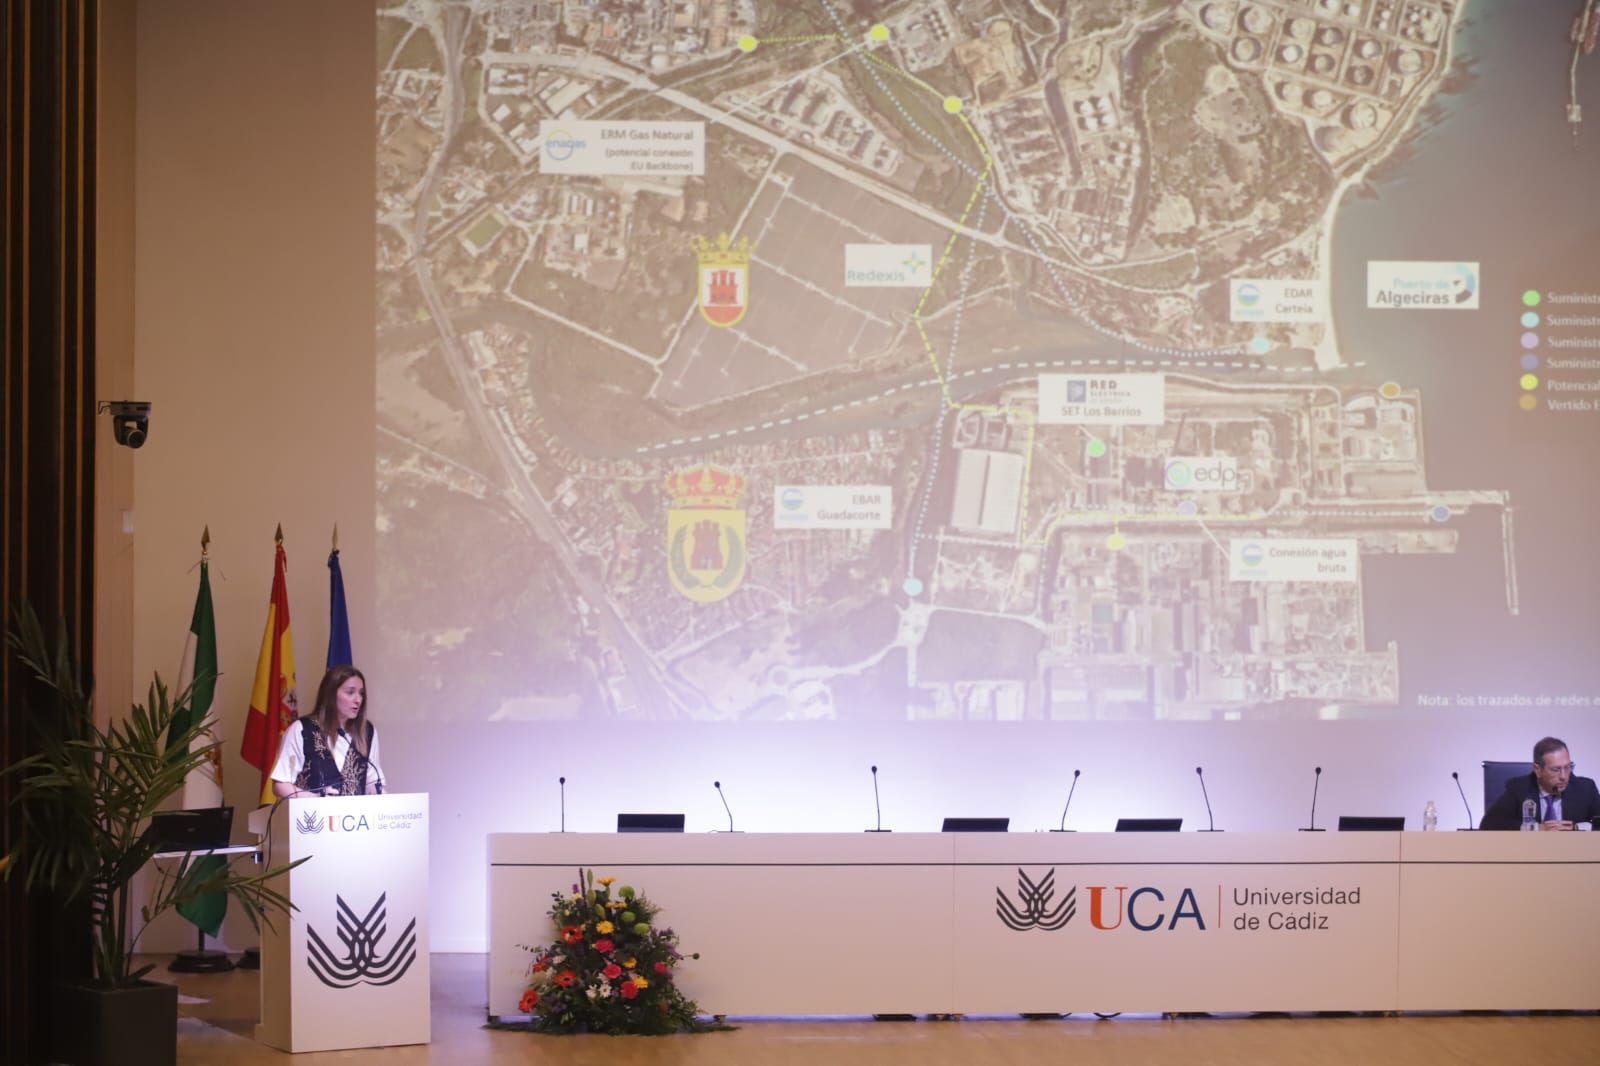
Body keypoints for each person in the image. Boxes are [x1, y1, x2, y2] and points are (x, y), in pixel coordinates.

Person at [270, 665, 385, 798]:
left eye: (361, 693)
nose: (358, 700)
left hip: (357, 817)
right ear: (331, 694)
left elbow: (372, 783)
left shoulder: (367, 732)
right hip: (311, 816)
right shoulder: (302, 729)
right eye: (350, 692)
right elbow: (280, 784)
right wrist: (315, 798)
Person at [1480, 736, 1599, 830]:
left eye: (1567, 767)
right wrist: (1534, 828)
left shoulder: (1585, 788)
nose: (1563, 776)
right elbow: (1489, 824)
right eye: (1555, 769)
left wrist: (1577, 827)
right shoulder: (1519, 788)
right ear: (1538, 770)